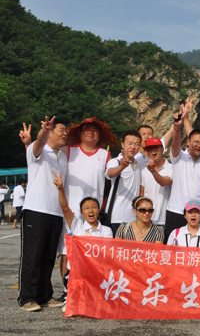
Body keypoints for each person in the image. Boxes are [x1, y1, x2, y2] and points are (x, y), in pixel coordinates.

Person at [18, 116, 68, 312]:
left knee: (48, 257)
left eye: (66, 131)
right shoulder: (37, 149)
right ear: (50, 133)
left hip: (55, 212)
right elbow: (39, 142)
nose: (65, 133)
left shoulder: (62, 157)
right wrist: (43, 132)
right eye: (61, 130)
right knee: (33, 256)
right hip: (36, 210)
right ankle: (27, 297)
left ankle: (44, 295)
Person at [52, 170, 113, 312]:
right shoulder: (77, 225)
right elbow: (65, 208)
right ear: (81, 212)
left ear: (98, 210)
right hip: (77, 272)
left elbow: (107, 255)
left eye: (94, 207)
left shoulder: (106, 231)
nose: (90, 211)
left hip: (98, 272)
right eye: (86, 208)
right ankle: (70, 295)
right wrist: (60, 189)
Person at [167, 111, 200, 237]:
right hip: (177, 211)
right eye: (196, 142)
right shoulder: (179, 156)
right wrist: (177, 127)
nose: (198, 145)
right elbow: (175, 144)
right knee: (174, 246)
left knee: (198, 246)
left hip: (199, 213)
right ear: (188, 142)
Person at [105, 130, 143, 235]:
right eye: (129, 143)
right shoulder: (115, 161)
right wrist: (122, 167)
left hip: (134, 218)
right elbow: (110, 173)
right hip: (117, 216)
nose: (132, 147)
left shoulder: (139, 165)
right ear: (122, 144)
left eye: (136, 144)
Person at [139, 138, 173, 229]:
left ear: (163, 149)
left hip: (164, 220)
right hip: (146, 219)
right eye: (150, 149)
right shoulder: (143, 170)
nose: (153, 151)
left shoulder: (171, 168)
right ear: (147, 152)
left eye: (156, 147)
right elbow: (142, 194)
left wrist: (153, 171)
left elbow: (164, 182)